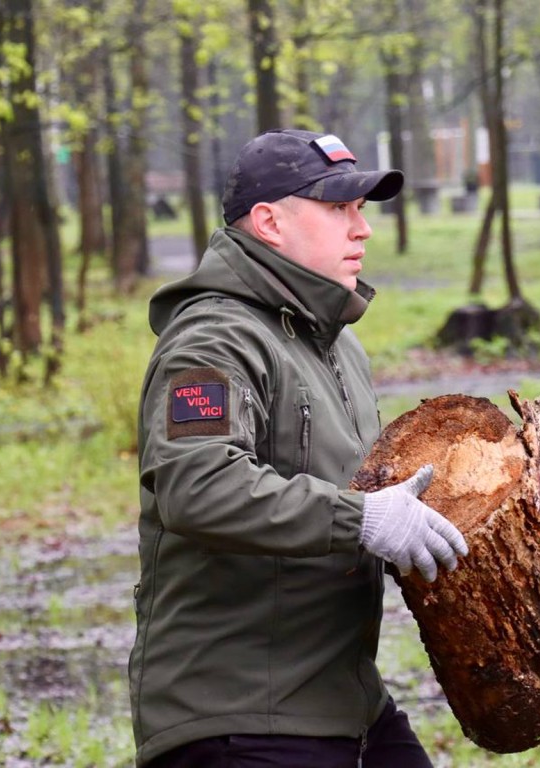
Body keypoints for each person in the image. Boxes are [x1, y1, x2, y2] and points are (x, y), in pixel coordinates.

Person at [129, 128, 469, 767]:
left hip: (345, 703)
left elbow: (367, 503)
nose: (360, 229)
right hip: (235, 716)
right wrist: (363, 520)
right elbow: (199, 488)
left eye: (360, 209)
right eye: (337, 207)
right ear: (269, 223)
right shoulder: (211, 341)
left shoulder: (335, 343)